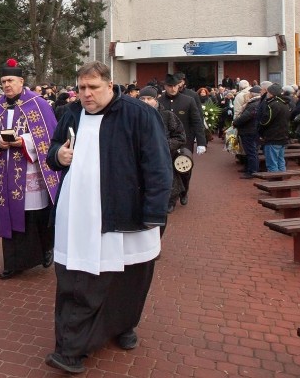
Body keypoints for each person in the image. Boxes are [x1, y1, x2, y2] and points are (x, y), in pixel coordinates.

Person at [45, 61, 170, 374]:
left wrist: (155, 213)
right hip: (79, 215)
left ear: (110, 85)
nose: (86, 94)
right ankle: (70, 348)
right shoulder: (71, 112)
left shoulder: (139, 114)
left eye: (93, 88)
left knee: (131, 277)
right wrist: (58, 155)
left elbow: (157, 165)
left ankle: (123, 325)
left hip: (127, 212)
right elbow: (54, 149)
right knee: (80, 280)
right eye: (82, 88)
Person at [0, 58, 60, 280]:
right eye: (3, 81)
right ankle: (13, 262)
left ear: (21, 81)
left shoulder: (38, 103)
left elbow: (48, 136)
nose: (6, 85)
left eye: (11, 80)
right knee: (8, 213)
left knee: (35, 215)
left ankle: (46, 249)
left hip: (31, 170)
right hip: (5, 171)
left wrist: (23, 141)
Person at [158, 74, 205, 209]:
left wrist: (201, 142)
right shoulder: (160, 101)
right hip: (166, 142)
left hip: (185, 141)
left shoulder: (188, 101)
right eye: (169, 86)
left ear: (179, 85)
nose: (172, 89)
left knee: (184, 169)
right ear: (165, 86)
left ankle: (184, 191)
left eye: (175, 86)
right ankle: (171, 200)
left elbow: (197, 121)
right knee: (170, 170)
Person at [139, 86, 186, 219]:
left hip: (164, 156)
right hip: (142, 157)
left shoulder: (167, 116)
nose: (146, 102)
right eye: (142, 99)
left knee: (168, 179)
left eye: (149, 98)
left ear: (156, 99)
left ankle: (171, 200)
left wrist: (163, 146)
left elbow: (180, 137)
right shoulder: (135, 115)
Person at [258, 83, 290, 172]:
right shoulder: (284, 104)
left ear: (271, 93)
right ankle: (281, 180)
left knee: (272, 163)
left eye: (268, 92)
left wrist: (260, 129)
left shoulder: (273, 105)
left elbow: (266, 121)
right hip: (282, 135)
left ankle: (274, 182)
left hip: (273, 136)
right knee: (280, 161)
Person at [234, 86, 263, 178]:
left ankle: (252, 171)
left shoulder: (254, 104)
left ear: (252, 94)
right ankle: (248, 167)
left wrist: (235, 122)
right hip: (250, 129)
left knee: (251, 151)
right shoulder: (257, 103)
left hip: (249, 130)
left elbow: (246, 117)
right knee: (249, 151)